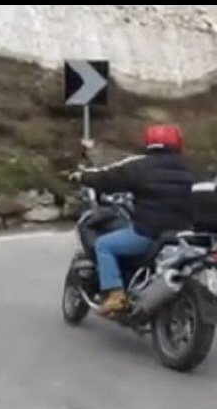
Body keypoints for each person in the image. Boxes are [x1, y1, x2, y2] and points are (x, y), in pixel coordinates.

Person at [71, 124, 196, 316]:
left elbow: (108, 178)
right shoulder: (190, 168)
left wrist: (82, 177)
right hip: (182, 233)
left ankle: (115, 295)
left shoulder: (141, 167)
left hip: (149, 233)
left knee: (104, 245)